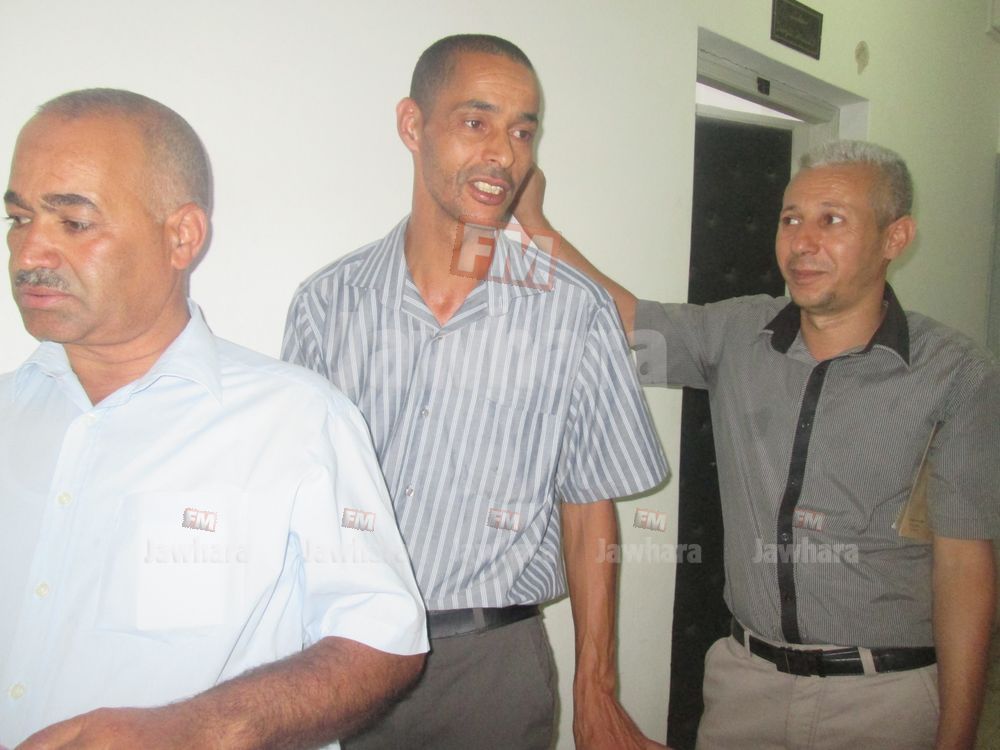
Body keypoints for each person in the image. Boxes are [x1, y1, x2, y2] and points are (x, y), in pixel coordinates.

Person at [516, 140, 1000, 749]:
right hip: (746, 688)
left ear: (895, 237)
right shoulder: (741, 332)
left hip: (884, 699)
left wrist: (956, 737)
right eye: (790, 219)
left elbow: (964, 565)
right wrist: (533, 223)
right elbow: (626, 322)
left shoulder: (954, 373)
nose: (802, 242)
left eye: (832, 220)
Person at [0, 88, 428, 750]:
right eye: (19, 218)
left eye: (74, 222)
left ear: (182, 236)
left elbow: (384, 641)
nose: (29, 254)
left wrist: (197, 730)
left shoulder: (296, 421)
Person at [282, 34, 669, 750]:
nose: (504, 154)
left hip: (492, 669)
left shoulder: (572, 312)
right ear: (412, 125)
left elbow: (590, 508)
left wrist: (597, 691)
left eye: (522, 132)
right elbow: (299, 493)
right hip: (344, 654)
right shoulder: (327, 305)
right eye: (475, 122)